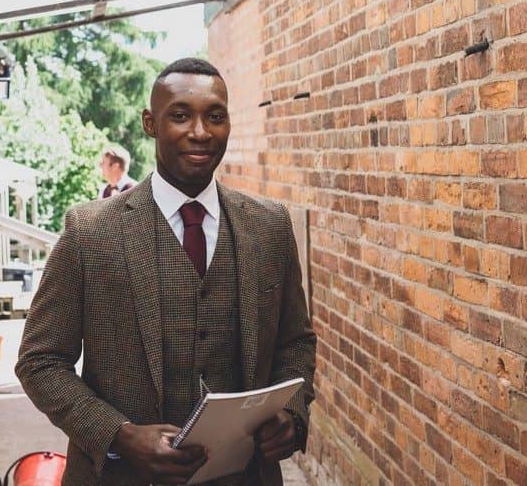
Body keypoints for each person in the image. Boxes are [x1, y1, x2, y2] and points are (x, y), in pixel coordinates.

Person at [17, 58, 316, 485]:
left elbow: (296, 344)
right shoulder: (90, 232)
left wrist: (292, 413)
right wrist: (119, 436)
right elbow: (40, 362)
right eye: (180, 115)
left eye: (215, 117)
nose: (200, 132)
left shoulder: (269, 226)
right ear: (150, 123)